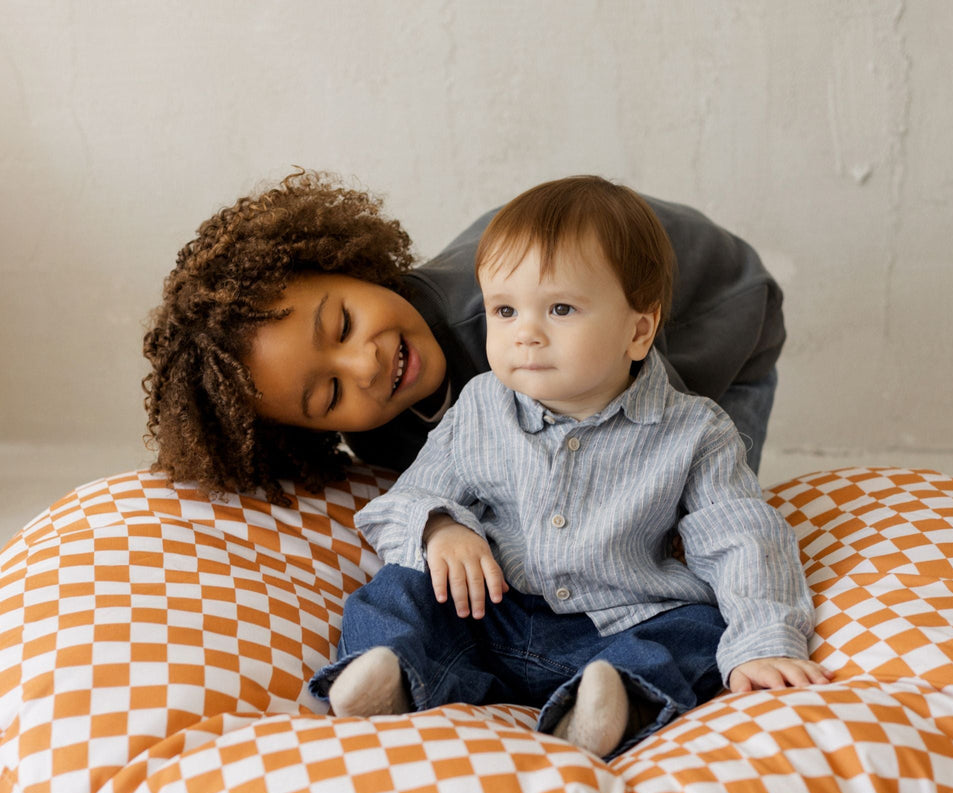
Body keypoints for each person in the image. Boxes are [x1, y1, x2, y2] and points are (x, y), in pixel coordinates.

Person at [308, 176, 830, 759]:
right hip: (491, 612)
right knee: (397, 587)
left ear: (638, 331)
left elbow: (740, 534)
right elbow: (406, 500)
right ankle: (394, 674)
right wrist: (440, 527)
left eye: (560, 308)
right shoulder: (478, 407)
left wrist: (763, 639)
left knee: (698, 629)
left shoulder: (697, 431)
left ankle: (606, 703)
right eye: (504, 310)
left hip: (620, 623)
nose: (525, 333)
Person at [143, 171, 785, 506]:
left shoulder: (504, 327)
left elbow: (651, 425)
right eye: (329, 393)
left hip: (712, 306)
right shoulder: (381, 427)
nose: (363, 365)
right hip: (599, 325)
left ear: (353, 265)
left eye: (341, 325)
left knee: (697, 500)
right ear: (312, 433)